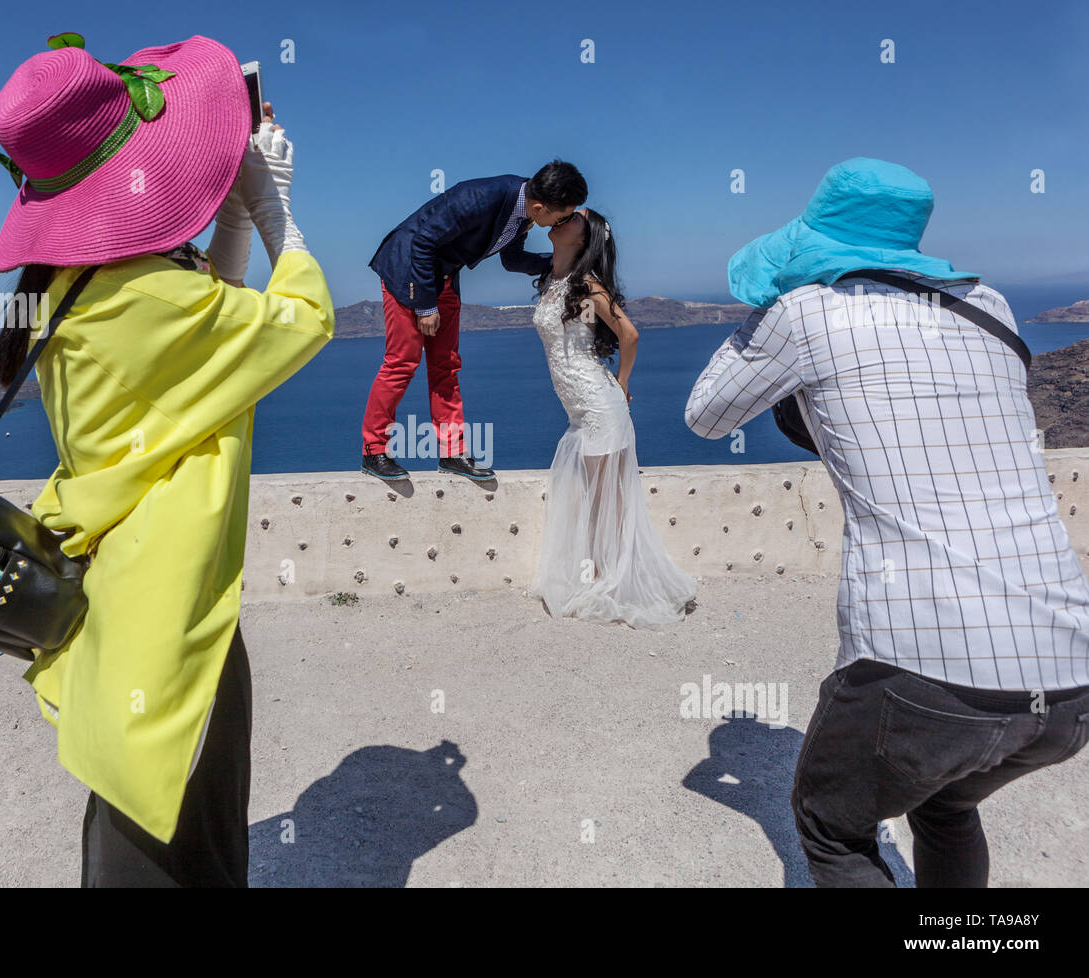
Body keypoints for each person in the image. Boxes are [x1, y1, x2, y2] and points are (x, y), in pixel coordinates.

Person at [0, 34, 333, 886]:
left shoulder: (72, 283)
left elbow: (203, 315)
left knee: (135, 823)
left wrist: (237, 214)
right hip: (167, 605)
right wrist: (270, 198)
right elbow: (302, 318)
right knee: (188, 842)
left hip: (117, 595)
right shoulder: (143, 296)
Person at [685, 157, 1089, 887]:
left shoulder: (805, 312)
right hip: (1068, 678)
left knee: (832, 829)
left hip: (927, 671)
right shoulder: (989, 305)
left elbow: (707, 417)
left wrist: (781, 300)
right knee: (943, 804)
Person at [360, 162, 587, 483]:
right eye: (561, 215)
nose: (561, 222)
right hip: (408, 269)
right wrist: (425, 307)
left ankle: (453, 453)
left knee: (446, 365)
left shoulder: (524, 212)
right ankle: (374, 450)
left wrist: (560, 264)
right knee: (401, 363)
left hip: (445, 276)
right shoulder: (480, 197)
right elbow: (422, 242)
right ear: (540, 207)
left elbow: (512, 260)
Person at [530, 208, 697, 627]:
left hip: (600, 404)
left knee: (607, 499)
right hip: (580, 410)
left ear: (585, 239)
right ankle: (603, 578)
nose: (561, 219)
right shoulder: (557, 282)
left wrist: (622, 384)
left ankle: (613, 583)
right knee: (596, 497)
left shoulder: (587, 284)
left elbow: (629, 334)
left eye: (572, 218)